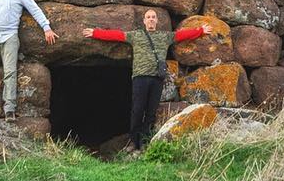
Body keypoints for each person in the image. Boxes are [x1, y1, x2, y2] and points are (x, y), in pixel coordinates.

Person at [82, 10, 213, 152]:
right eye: (148, 17)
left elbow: (182, 35)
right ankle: (133, 141)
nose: (151, 19)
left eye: (153, 17)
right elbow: (116, 35)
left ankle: (144, 141)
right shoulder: (135, 35)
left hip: (157, 79)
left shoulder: (165, 37)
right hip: (140, 78)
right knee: (137, 110)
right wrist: (95, 33)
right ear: (144, 21)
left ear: (156, 21)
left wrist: (200, 31)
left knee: (151, 112)